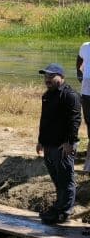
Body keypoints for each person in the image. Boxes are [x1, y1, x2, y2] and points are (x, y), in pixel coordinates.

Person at [36, 63, 81, 224]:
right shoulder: (47, 95)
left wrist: (70, 142)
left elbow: (75, 120)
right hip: (49, 144)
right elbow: (44, 120)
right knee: (57, 179)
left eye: (51, 76)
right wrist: (40, 140)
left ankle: (64, 212)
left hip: (63, 145)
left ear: (61, 77)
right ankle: (58, 207)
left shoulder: (70, 95)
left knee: (66, 180)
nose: (47, 79)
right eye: (45, 76)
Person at [76, 24, 90, 172]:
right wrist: (79, 74)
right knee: (89, 121)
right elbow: (79, 59)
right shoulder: (85, 46)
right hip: (87, 91)